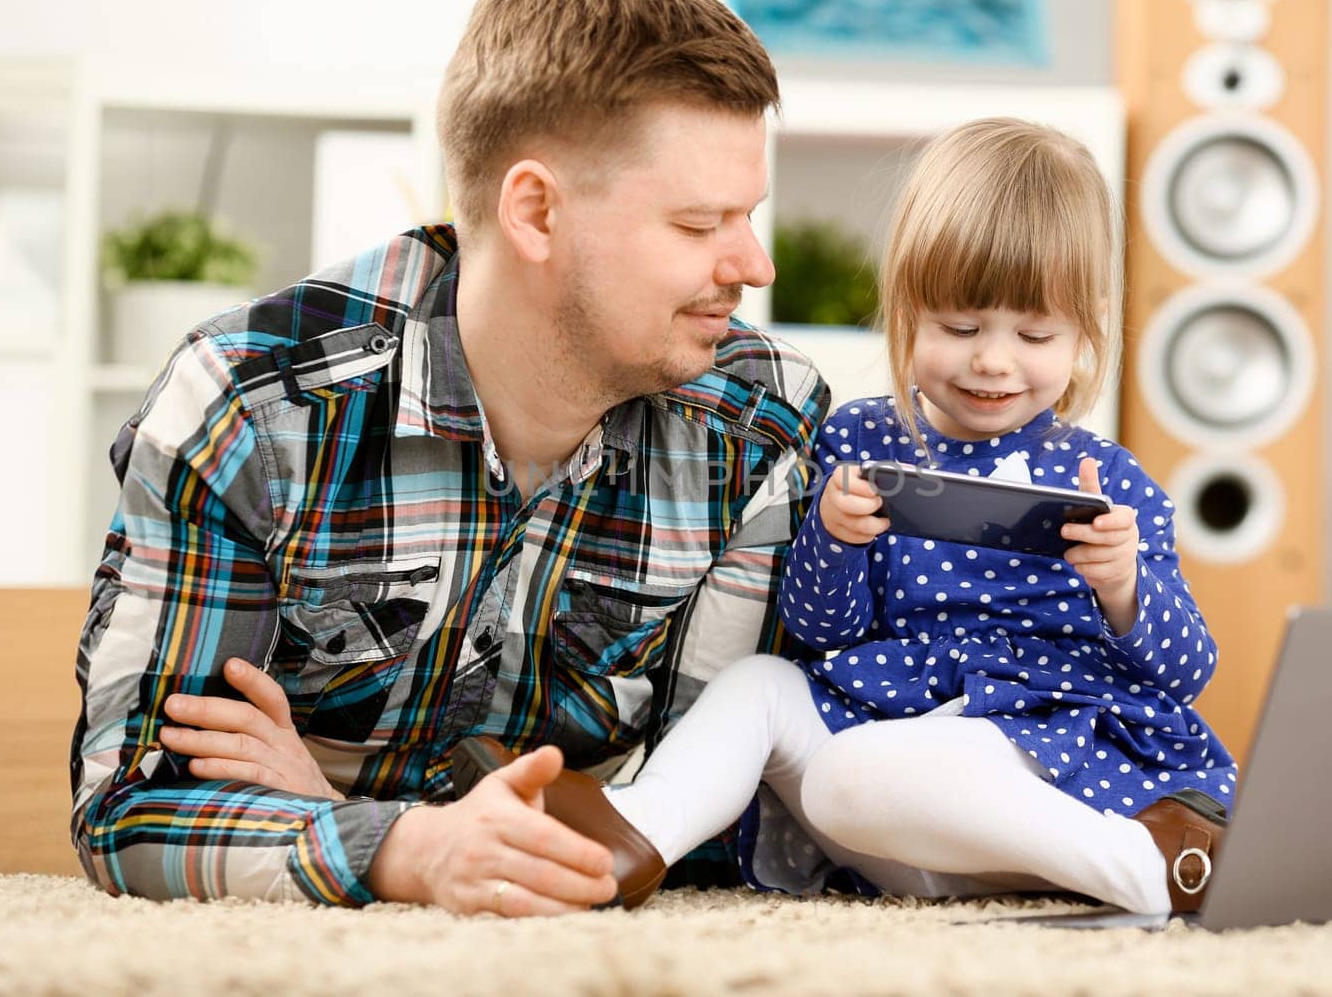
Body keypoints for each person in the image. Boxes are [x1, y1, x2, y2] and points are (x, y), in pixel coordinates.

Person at [68, 0, 829, 915]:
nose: (752, 263)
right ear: (535, 211)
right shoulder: (253, 408)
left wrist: (337, 808)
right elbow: (131, 808)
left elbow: (702, 822)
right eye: (698, 223)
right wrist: (409, 848)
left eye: (748, 216)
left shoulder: (760, 427)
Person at [456, 117, 1238, 915]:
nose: (993, 360)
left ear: (1083, 334)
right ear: (906, 312)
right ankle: (629, 837)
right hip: (890, 772)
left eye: (1035, 334)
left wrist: (1124, 587)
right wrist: (833, 535)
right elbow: (821, 629)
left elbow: (1188, 671)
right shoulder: (864, 439)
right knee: (764, 685)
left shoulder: (1106, 478)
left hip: (1037, 754)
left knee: (852, 775)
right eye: (959, 327)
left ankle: (1145, 868)